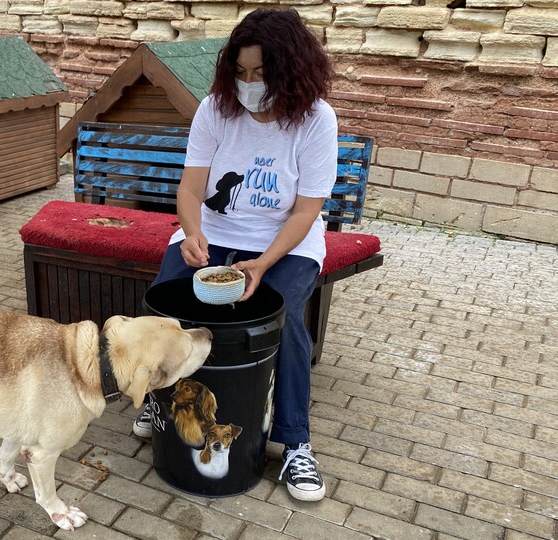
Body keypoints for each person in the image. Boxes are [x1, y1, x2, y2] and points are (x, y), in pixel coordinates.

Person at [131, 8, 337, 502]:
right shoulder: (215, 110)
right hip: (216, 231)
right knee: (164, 299)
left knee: (279, 314)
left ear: (290, 72)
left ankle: (295, 444)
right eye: (240, 73)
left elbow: (306, 212)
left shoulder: (315, 120)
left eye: (261, 75)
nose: (248, 85)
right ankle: (159, 401)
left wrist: (264, 264)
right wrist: (191, 232)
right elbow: (190, 188)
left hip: (285, 242)